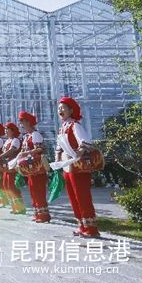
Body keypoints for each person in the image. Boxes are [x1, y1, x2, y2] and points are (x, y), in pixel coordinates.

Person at [56, 97, 100, 238]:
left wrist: (78, 154)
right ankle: (82, 225)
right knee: (73, 196)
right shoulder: (62, 127)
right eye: (59, 108)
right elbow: (59, 148)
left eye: (63, 108)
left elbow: (85, 142)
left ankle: (91, 229)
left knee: (82, 196)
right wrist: (58, 161)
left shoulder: (75, 125)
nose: (60, 110)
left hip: (79, 167)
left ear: (71, 110)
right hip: (68, 167)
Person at [18, 111, 51, 223]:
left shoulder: (35, 134)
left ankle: (44, 215)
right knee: (33, 190)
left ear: (28, 122)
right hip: (31, 168)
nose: (21, 124)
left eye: (22, 121)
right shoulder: (27, 136)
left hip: (38, 168)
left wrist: (27, 153)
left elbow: (40, 148)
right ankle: (38, 213)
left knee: (39, 190)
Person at [0, 122, 26, 214]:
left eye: (7, 129)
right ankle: (14, 206)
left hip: (12, 166)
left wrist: (0, 156)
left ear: (13, 131)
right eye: (5, 129)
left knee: (12, 186)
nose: (5, 131)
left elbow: (12, 150)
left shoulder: (15, 140)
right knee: (5, 185)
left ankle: (20, 207)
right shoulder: (8, 140)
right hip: (6, 167)